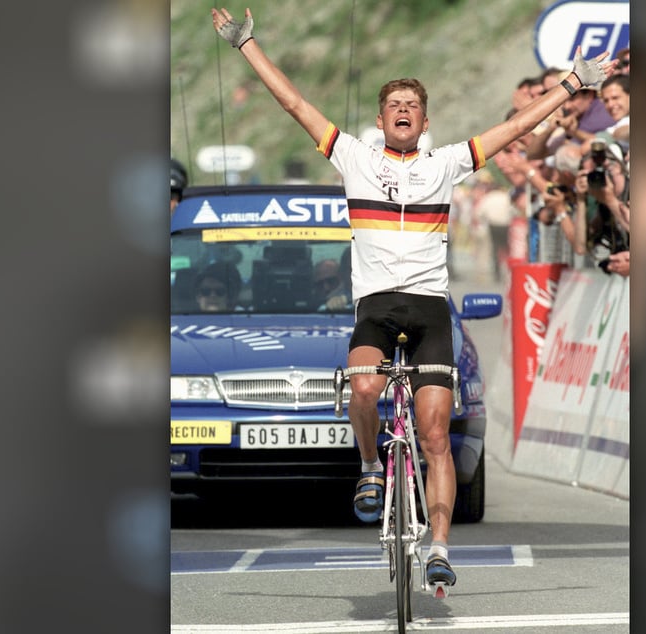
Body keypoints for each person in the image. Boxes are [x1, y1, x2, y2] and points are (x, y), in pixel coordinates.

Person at [211, 5, 616, 588]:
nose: (404, 112)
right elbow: (296, 105)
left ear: (425, 122)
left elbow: (515, 129)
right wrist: (247, 45)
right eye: (394, 106)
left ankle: (440, 545)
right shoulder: (354, 156)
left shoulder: (445, 163)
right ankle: (372, 465)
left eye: (413, 107)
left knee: (433, 433)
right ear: (380, 119)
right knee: (365, 385)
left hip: (429, 309)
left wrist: (572, 84)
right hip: (375, 305)